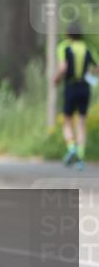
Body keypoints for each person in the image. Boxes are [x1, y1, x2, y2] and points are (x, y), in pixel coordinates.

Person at [53, 23, 96, 170]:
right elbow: (97, 66)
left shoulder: (64, 47)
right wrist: (90, 76)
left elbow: (63, 68)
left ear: (68, 35)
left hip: (71, 86)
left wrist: (56, 79)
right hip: (85, 87)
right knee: (82, 122)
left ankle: (71, 149)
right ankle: (80, 158)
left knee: (67, 120)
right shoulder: (87, 48)